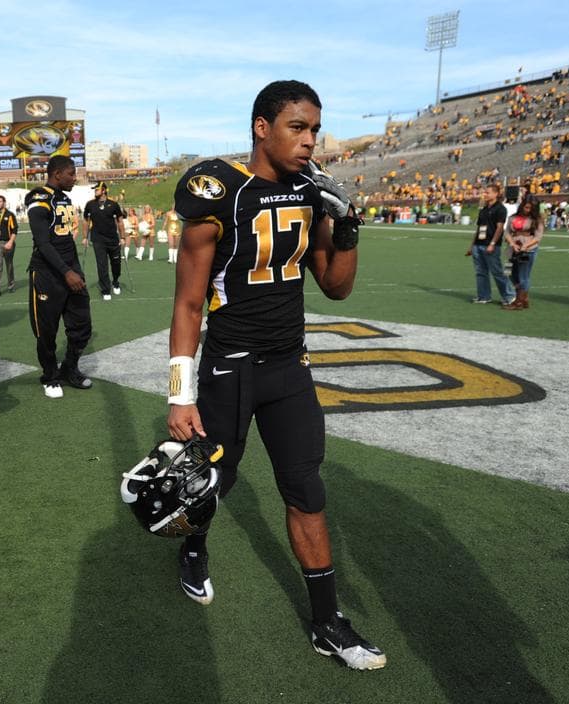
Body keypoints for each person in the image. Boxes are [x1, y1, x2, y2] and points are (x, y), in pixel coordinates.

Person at [166, 80, 385, 670]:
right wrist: (180, 395)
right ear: (262, 127)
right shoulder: (220, 190)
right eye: (298, 127)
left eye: (315, 129)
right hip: (229, 367)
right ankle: (194, 545)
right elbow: (188, 304)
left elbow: (336, 286)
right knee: (216, 482)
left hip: (290, 365)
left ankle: (326, 621)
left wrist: (349, 227)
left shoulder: (311, 192)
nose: (311, 141)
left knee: (306, 488)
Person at [26, 155, 92, 398]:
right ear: (57, 174)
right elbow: (43, 243)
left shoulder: (64, 197)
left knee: (82, 325)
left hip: (70, 269)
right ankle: (50, 375)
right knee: (47, 332)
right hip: (47, 274)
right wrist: (67, 272)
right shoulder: (38, 197)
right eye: (71, 174)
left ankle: (69, 368)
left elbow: (65, 240)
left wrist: (74, 268)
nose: (75, 178)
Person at [466, 184, 516, 305]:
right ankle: (484, 296)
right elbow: (479, 229)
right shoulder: (483, 209)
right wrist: (472, 245)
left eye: (488, 192)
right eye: (485, 192)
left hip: (490, 244)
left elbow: (500, 228)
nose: (485, 194)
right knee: (480, 272)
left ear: (496, 194)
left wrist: (493, 243)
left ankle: (509, 296)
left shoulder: (500, 209)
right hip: (479, 244)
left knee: (497, 271)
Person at [82, 182, 125, 300]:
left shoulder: (113, 204)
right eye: (94, 189)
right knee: (102, 266)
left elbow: (120, 221)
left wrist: (122, 237)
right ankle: (105, 289)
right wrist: (85, 237)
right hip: (98, 240)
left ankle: (115, 281)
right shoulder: (90, 204)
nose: (95, 191)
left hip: (112, 239)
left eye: (97, 189)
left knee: (116, 263)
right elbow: (86, 221)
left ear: (104, 190)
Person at [502, 198, 544, 310]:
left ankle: (519, 301)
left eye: (531, 208)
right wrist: (512, 243)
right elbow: (507, 232)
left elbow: (538, 237)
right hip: (512, 249)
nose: (528, 210)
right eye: (526, 207)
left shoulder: (536, 219)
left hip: (528, 250)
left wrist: (526, 246)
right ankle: (523, 298)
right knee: (508, 272)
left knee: (523, 275)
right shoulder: (512, 217)